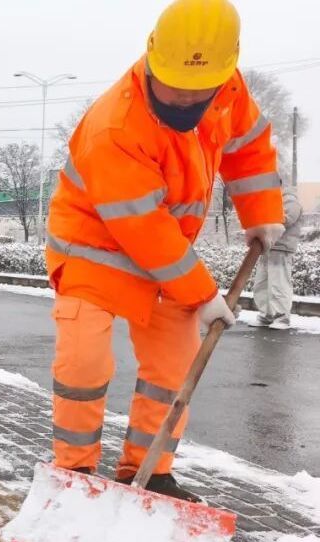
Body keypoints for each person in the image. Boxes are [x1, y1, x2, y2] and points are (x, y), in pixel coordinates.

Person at [45, 0, 284, 503]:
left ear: (223, 73)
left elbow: (248, 147)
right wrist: (202, 294)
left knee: (173, 368)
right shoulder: (116, 126)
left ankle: (150, 473)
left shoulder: (229, 90)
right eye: (174, 86)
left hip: (168, 250)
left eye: (199, 90)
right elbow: (143, 229)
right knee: (85, 363)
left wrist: (261, 212)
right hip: (94, 250)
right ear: (152, 59)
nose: (185, 99)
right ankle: (75, 475)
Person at [249, 188, 303, 330]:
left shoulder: (289, 199)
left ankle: (282, 317)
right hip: (267, 247)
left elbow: (285, 219)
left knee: (279, 284)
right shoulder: (270, 199)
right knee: (261, 284)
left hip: (281, 248)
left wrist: (263, 220)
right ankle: (266, 315)